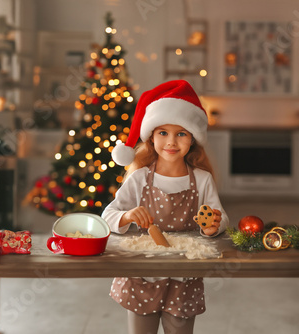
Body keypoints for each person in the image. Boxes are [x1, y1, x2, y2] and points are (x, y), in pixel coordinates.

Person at [102, 80, 229, 334]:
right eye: (163, 133)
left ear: (192, 139)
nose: (171, 142)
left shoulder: (202, 179)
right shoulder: (139, 177)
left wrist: (213, 225)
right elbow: (107, 217)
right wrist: (126, 216)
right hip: (142, 276)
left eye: (181, 133)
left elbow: (220, 218)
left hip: (184, 277)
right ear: (151, 136)